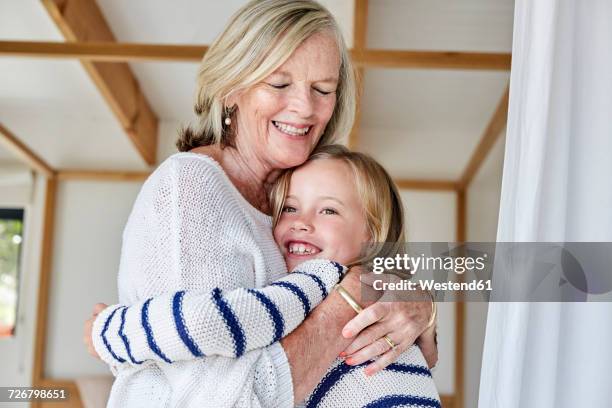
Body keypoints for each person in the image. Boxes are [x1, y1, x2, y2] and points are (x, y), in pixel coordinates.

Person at [84, 1, 437, 406]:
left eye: (322, 89)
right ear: (233, 86)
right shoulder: (190, 188)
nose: (305, 108)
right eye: (279, 83)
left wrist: (414, 300)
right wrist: (351, 297)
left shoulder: (293, 195)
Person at [90, 144, 440, 408]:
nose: (302, 220)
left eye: (329, 210)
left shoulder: (322, 278)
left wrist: (113, 332)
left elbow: (215, 322)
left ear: (372, 236)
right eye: (289, 207)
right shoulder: (377, 294)